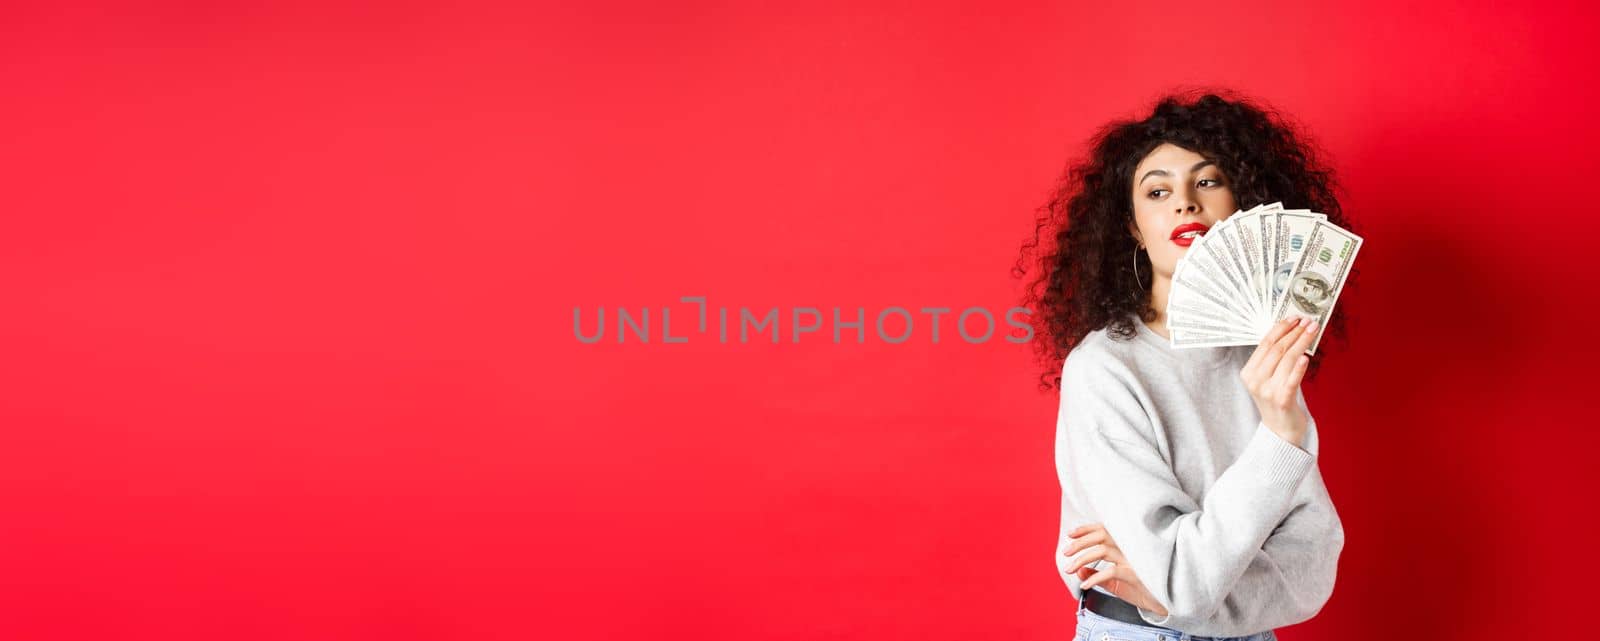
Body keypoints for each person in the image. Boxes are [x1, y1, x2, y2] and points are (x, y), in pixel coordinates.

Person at [1013, 91, 1355, 640]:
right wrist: (1281, 441)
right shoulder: (1104, 368)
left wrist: (1179, 595)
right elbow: (1184, 582)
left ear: (1242, 206)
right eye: (1157, 191)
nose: (1184, 204)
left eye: (1207, 181)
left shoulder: (1264, 356)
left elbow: (1311, 565)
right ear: (1131, 227)